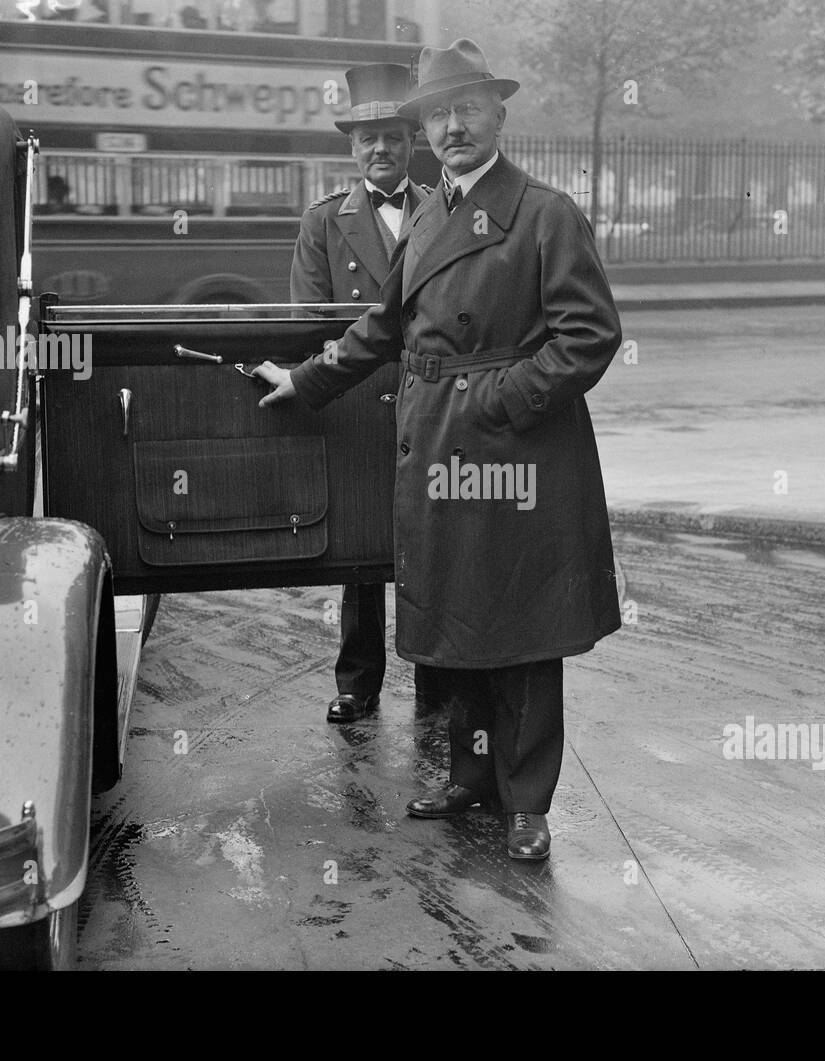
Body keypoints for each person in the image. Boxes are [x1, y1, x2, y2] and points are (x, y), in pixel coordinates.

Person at [255, 38, 622, 861]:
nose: (452, 126)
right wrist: (308, 379)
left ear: (498, 115)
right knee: (453, 612)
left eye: (467, 110)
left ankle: (527, 801)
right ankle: (469, 774)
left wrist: (496, 400)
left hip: (512, 448)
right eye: (439, 115)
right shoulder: (429, 212)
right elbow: (383, 326)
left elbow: (590, 338)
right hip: (437, 442)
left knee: (520, 620)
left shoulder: (544, 212)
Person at [290, 63, 434, 725]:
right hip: (355, 398)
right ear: (352, 148)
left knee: (433, 542)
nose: (382, 149)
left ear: (413, 143)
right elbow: (309, 323)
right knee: (357, 548)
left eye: (395, 136)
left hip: (429, 403)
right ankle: (358, 680)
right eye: (368, 138)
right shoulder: (324, 222)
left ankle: (440, 679)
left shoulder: (446, 211)